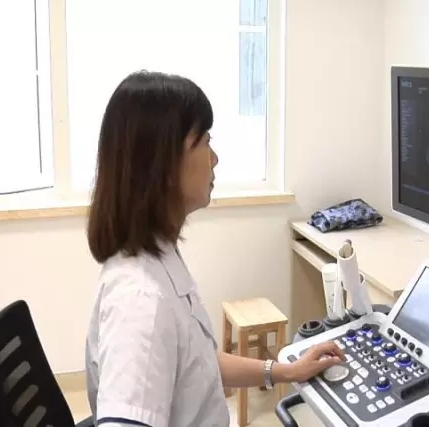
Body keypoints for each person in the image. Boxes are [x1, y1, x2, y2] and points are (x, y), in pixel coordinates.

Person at [84, 70, 345, 427]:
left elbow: (198, 363)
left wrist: (286, 370)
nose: (215, 158)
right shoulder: (141, 302)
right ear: (164, 163)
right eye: (205, 141)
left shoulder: (158, 259)